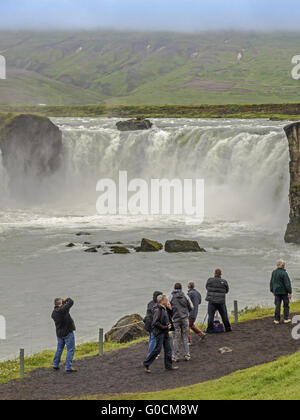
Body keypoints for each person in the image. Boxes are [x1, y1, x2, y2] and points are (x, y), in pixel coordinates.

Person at [144, 295, 178, 373]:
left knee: (168, 349)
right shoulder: (158, 310)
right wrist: (165, 327)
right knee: (157, 350)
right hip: (160, 332)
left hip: (165, 331)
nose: (167, 301)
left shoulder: (164, 308)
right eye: (166, 300)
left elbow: (168, 317)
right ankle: (146, 363)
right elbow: (155, 323)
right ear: (162, 301)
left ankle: (168, 366)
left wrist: (170, 309)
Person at [169, 283, 193, 362]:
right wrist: (186, 312)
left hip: (175, 319)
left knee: (175, 338)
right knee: (185, 337)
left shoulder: (171, 296)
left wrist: (172, 313)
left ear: (174, 288)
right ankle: (187, 355)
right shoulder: (185, 295)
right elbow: (191, 307)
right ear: (181, 288)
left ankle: (175, 356)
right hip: (185, 318)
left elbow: (167, 307)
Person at [52, 297, 77, 373]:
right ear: (60, 303)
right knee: (70, 349)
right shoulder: (63, 310)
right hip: (67, 333)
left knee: (59, 349)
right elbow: (71, 301)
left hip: (59, 334)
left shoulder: (54, 313)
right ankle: (68, 367)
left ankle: (55, 364)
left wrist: (63, 302)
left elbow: (65, 307)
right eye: (62, 302)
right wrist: (66, 299)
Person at [206, 269, 232, 334]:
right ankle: (228, 328)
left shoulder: (210, 280)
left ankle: (210, 329)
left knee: (211, 316)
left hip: (212, 301)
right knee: (224, 315)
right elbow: (227, 291)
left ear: (214, 273)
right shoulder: (224, 281)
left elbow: (207, 287)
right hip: (221, 301)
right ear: (220, 274)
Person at [270, 260, 292, 325]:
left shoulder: (274, 272)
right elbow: (287, 284)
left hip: (276, 292)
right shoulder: (284, 273)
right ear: (283, 265)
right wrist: (290, 292)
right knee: (286, 305)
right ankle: (285, 319)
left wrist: (272, 290)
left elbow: (272, 282)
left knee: (277, 306)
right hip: (284, 292)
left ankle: (276, 320)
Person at [144, 291, 162, 357]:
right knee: (153, 339)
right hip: (152, 323)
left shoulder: (150, 303)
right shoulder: (157, 305)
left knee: (153, 338)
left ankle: (154, 353)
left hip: (148, 322)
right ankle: (150, 355)